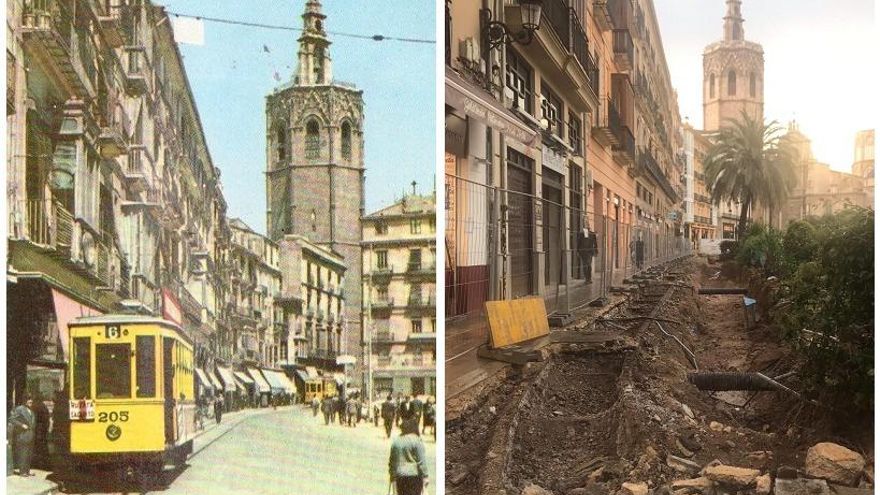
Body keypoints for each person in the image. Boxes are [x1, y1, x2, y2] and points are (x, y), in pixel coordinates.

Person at [388, 418, 429, 495]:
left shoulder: (396, 441)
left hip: (400, 476)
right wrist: (425, 476)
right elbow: (421, 461)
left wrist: (392, 476)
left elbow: (392, 462)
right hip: (414, 477)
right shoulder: (417, 441)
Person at [8, 396, 36, 477]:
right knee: (23, 453)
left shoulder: (31, 410)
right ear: (25, 401)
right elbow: (11, 419)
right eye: (28, 400)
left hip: (30, 435)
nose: (30, 401)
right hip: (22, 435)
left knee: (29, 454)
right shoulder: (20, 409)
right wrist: (21, 425)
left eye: (31, 400)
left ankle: (27, 471)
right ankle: (22, 472)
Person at [31, 394, 50, 470]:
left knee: (37, 447)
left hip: (38, 430)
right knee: (43, 447)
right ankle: (45, 465)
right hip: (42, 430)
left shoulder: (35, 406)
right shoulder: (43, 407)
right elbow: (46, 420)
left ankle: (37, 464)